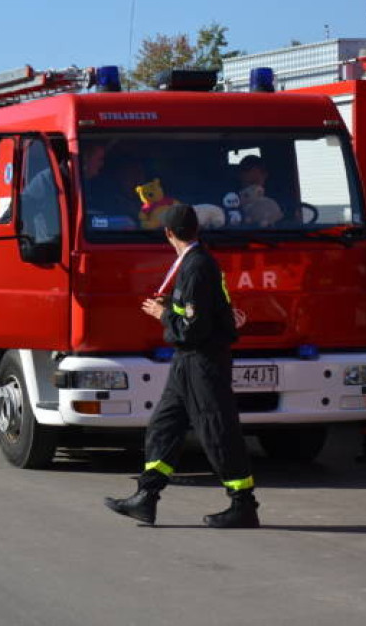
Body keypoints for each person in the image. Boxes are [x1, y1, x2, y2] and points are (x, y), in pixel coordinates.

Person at [104, 204, 260, 529]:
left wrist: (161, 315)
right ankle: (146, 497)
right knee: (164, 425)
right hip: (186, 362)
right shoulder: (194, 263)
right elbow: (208, 313)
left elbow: (192, 327)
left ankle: (243, 505)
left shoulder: (196, 267)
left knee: (218, 431)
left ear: (169, 233)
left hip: (202, 361)